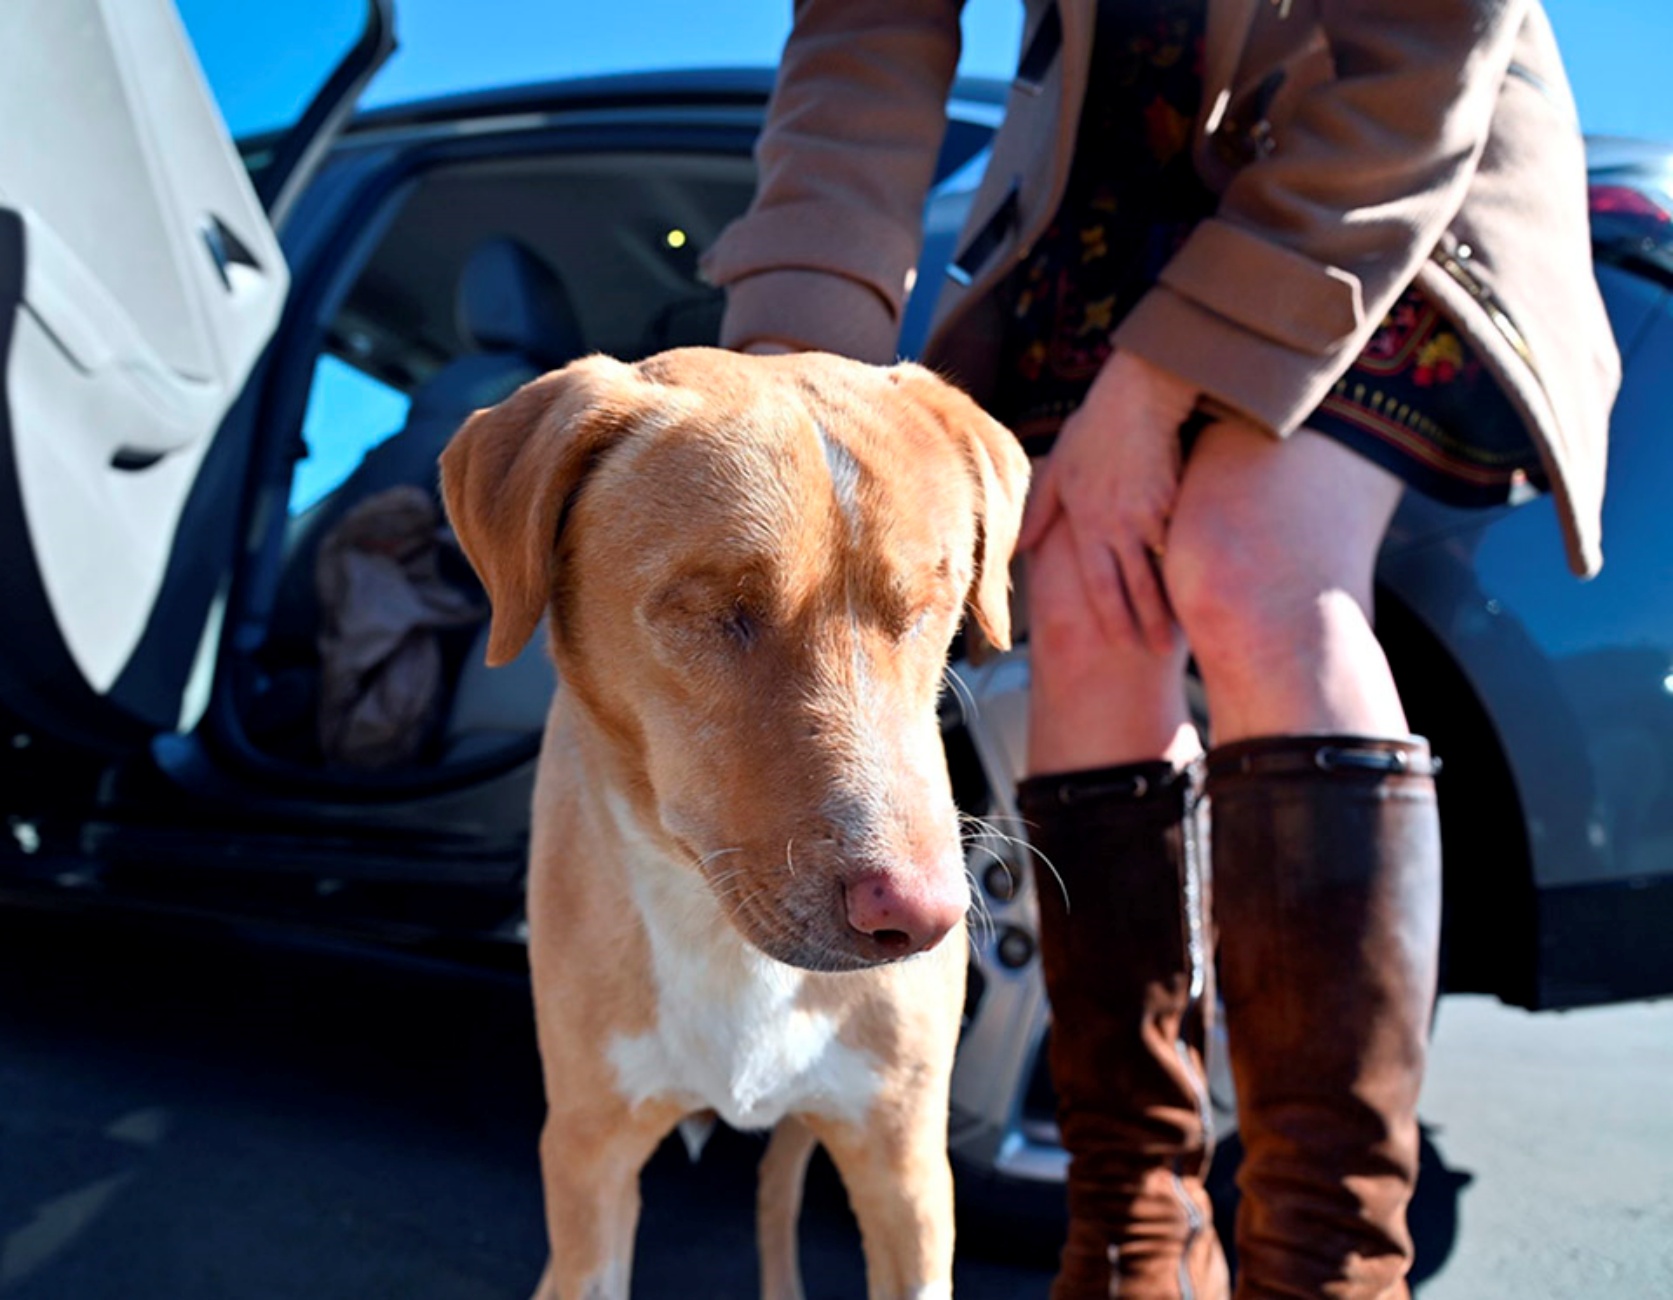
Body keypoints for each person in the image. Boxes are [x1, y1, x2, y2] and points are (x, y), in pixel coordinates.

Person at [702, 2, 1619, 1296]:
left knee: (1249, 559)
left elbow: (1423, 47)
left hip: (1368, 161)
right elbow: (868, 28)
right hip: (1109, 197)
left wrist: (1148, 394)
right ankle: (1130, 1238)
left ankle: (1328, 1258)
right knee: (1078, 603)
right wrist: (794, 372)